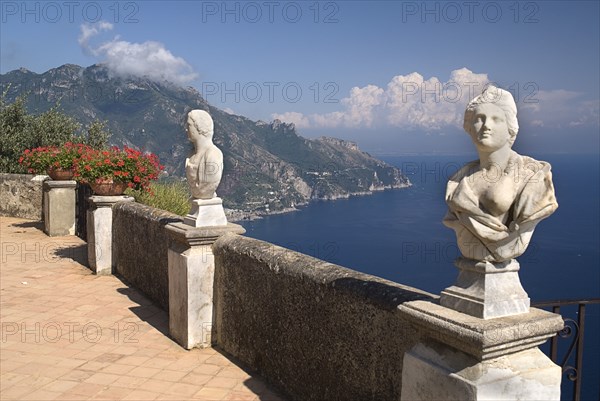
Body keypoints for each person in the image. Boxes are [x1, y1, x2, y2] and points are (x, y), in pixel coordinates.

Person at [443, 86, 558, 262]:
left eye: (496, 119)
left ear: (510, 129)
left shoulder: (532, 176)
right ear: (470, 128)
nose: (486, 126)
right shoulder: (458, 180)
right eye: (479, 119)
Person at [185, 110, 223, 199]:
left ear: (199, 128)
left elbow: (205, 189)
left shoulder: (213, 155)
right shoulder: (190, 154)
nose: (186, 129)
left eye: (189, 125)